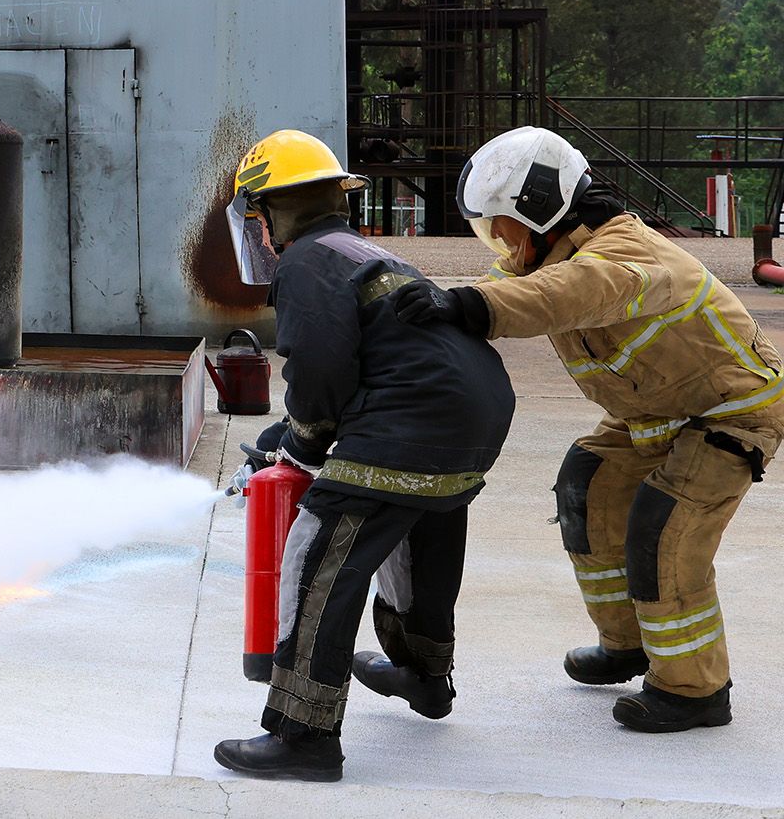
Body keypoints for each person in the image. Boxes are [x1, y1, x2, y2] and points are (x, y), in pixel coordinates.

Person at [393, 126, 784, 733]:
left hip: (733, 409)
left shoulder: (627, 256)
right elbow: (509, 288)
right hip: (655, 411)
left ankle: (694, 689)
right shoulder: (555, 253)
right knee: (588, 484)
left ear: (539, 208)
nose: (497, 241)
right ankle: (626, 644)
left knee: (665, 530)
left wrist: (469, 306)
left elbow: (571, 293)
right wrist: (427, 306)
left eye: (501, 225)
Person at [213, 130, 516, 783]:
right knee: (415, 538)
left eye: (260, 217)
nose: (261, 234)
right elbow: (363, 364)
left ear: (275, 209)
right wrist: (289, 435)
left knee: (317, 553)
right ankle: (424, 674)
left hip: (411, 420)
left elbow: (321, 367)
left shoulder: (304, 261)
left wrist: (300, 445)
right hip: (473, 416)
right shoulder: (360, 249)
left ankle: (303, 735)